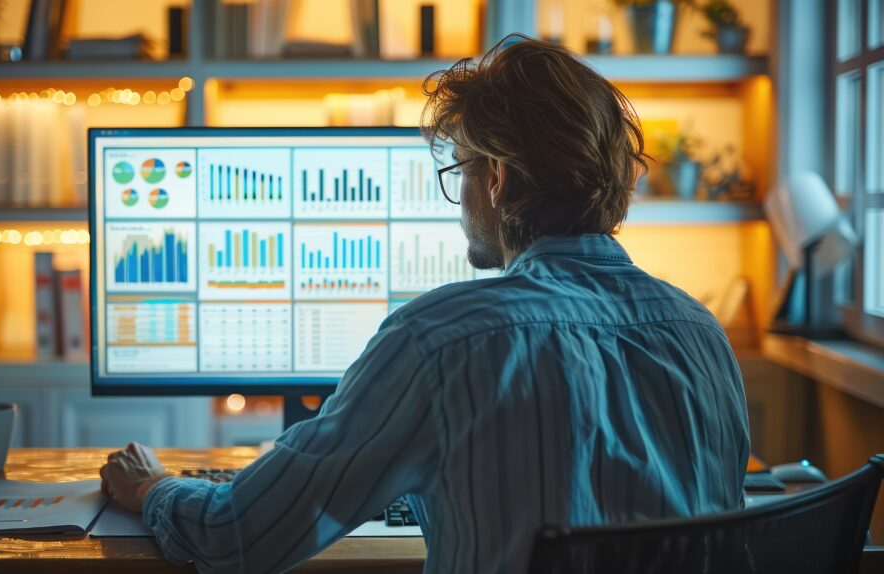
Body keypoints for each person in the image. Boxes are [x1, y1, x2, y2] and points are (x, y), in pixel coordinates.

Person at [100, 34, 750, 573]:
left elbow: (237, 537)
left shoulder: (442, 341)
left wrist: (152, 486)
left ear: (496, 180)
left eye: (459, 169)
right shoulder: (699, 334)